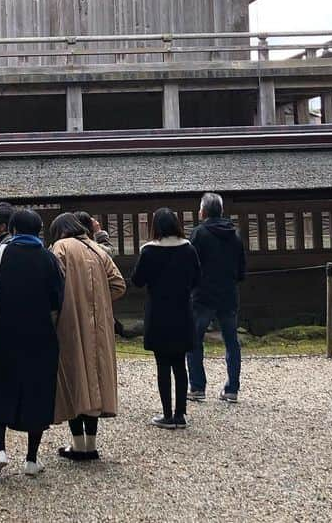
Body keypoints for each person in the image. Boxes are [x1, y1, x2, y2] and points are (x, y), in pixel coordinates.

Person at [0, 208, 65, 478]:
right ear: (38, 230)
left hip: (4, 332)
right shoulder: (47, 258)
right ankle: (31, 459)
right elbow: (57, 299)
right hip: (40, 335)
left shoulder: (3, 253)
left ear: (12, 229)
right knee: (38, 391)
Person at [49, 211, 126, 461]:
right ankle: (90, 445)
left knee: (73, 377)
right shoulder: (98, 250)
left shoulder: (60, 247)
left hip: (69, 322)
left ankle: (77, 443)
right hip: (100, 326)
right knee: (95, 379)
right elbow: (118, 285)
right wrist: (99, 302)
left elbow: (52, 282)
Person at [132, 207, 201, 429]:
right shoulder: (188, 249)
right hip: (182, 310)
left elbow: (137, 280)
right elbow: (197, 279)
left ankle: (166, 414)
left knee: (162, 365)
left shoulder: (149, 251)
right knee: (180, 365)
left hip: (159, 313)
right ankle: (181, 414)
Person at [186, 191, 246, 403]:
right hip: (228, 294)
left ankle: (197, 387)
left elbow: (190, 265)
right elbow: (241, 269)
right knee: (231, 341)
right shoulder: (235, 234)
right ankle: (232, 389)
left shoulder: (198, 234)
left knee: (194, 341)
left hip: (203, 295)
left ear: (203, 211)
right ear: (221, 211)